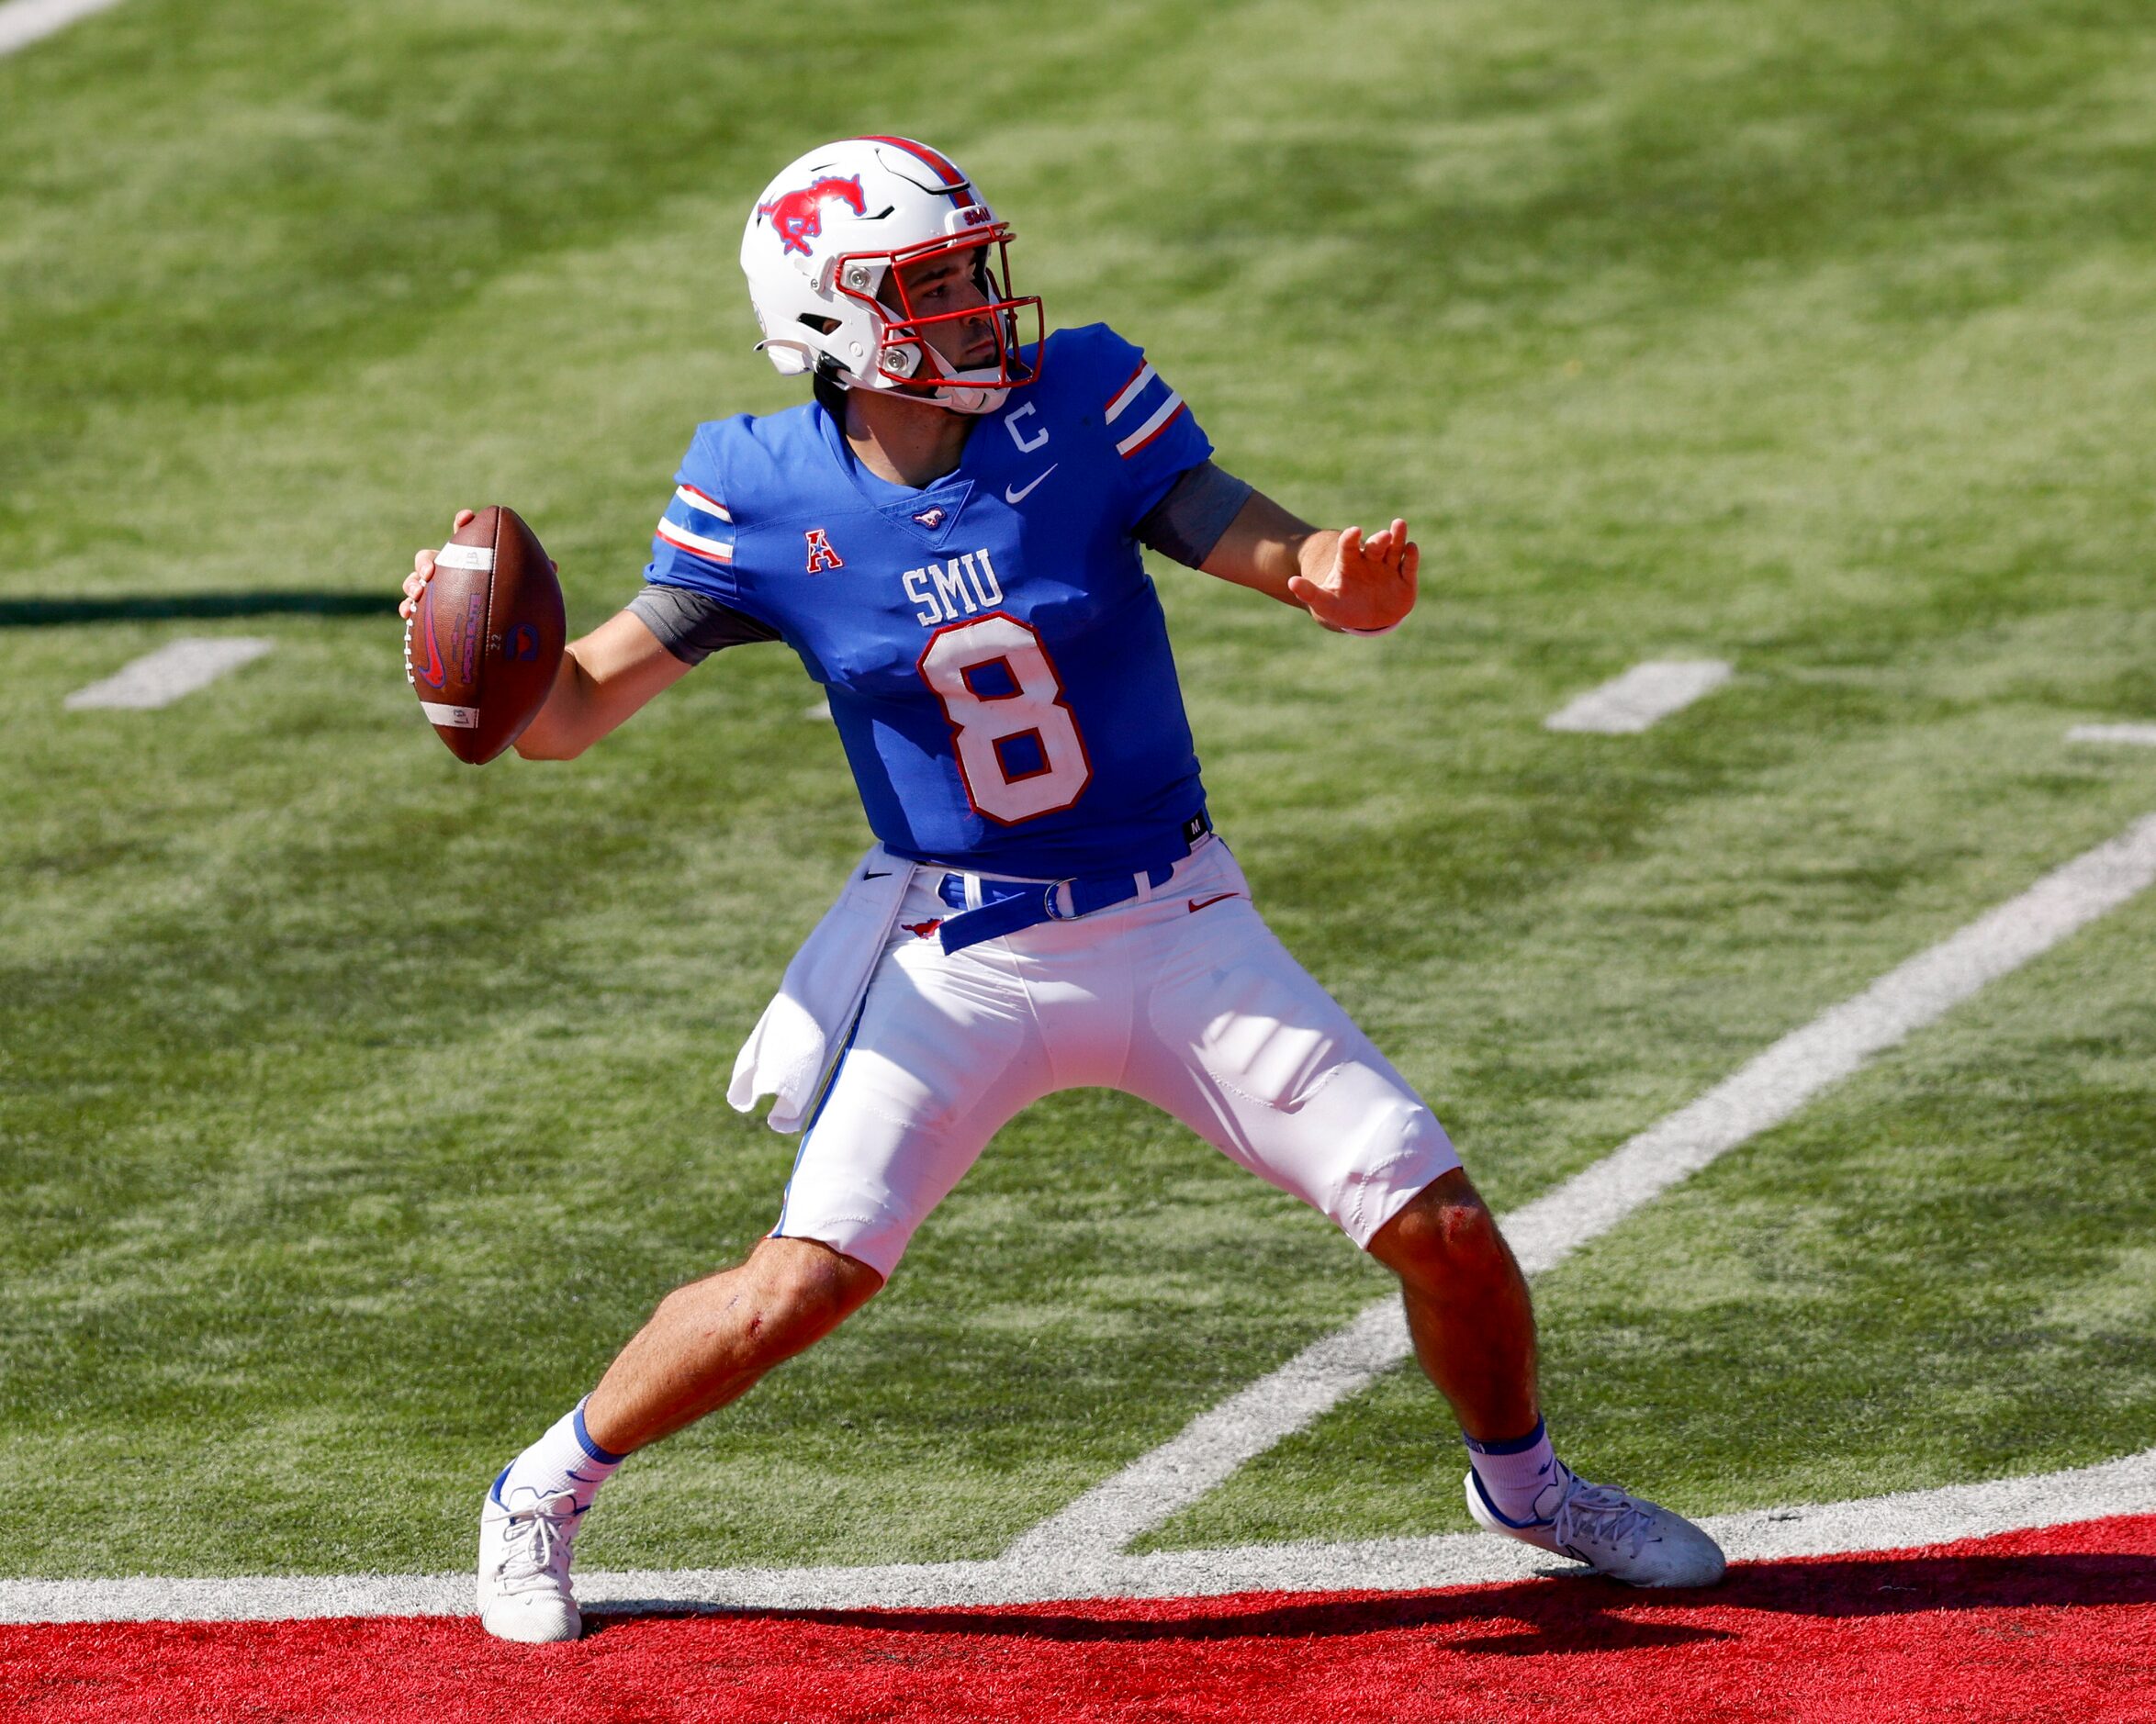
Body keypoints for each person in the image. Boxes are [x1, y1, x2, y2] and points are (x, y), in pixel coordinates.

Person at [400, 135, 1726, 1644]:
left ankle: (1528, 1487)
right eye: (936, 285)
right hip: (958, 951)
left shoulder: (1081, 401)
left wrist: (1330, 577)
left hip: (1175, 916)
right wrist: (472, 660)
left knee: (1445, 1227)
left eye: (973, 271)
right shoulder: (758, 492)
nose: (980, 305)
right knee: (799, 1286)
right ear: (835, 323)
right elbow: (569, 713)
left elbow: (1263, 543)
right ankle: (539, 1486)